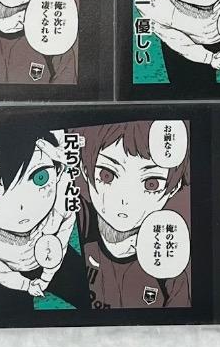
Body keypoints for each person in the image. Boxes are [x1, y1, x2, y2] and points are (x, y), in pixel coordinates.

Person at [0, 123, 88, 316]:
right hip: (1, 273)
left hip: (53, 253)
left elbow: (63, 233)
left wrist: (47, 275)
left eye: (40, 177)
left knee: (95, 300)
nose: (21, 207)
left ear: (57, 172)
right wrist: (25, 284)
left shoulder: (63, 193)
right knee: (10, 327)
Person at [73, 120, 192, 308]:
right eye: (107, 175)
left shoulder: (168, 269)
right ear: (85, 169)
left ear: (173, 188)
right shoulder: (72, 229)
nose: (125, 200)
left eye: (151, 184)